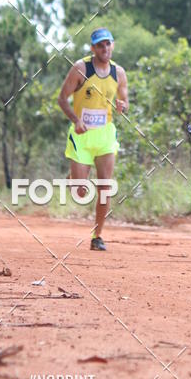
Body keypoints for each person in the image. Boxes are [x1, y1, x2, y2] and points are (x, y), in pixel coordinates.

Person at [58, 28, 128, 251]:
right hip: (82, 134)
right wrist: (75, 119)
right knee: (80, 191)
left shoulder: (119, 73)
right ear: (93, 48)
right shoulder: (81, 69)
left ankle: (97, 236)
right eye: (100, 45)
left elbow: (123, 103)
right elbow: (62, 99)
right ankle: (72, 178)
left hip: (106, 134)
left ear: (113, 45)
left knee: (104, 186)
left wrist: (122, 106)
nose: (104, 49)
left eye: (108, 44)